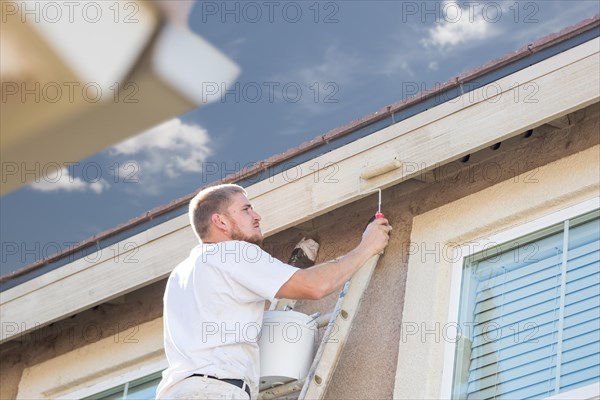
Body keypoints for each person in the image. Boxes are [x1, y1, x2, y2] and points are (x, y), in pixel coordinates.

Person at [156, 183, 391, 400]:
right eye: (246, 210)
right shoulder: (234, 252)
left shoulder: (182, 274)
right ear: (221, 221)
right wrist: (367, 246)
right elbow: (314, 286)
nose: (257, 216)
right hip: (214, 391)